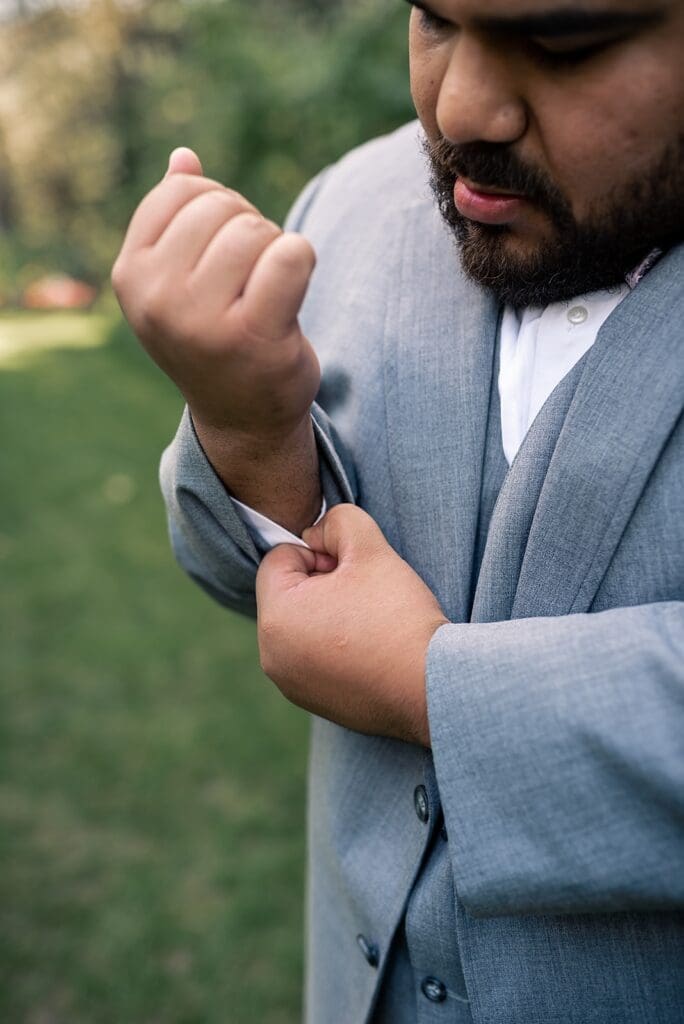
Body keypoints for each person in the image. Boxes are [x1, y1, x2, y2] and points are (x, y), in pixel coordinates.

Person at [112, 1, 684, 1020]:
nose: (457, 107)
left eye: (565, 44)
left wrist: (432, 689)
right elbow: (239, 570)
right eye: (432, 18)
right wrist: (247, 432)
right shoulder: (349, 205)